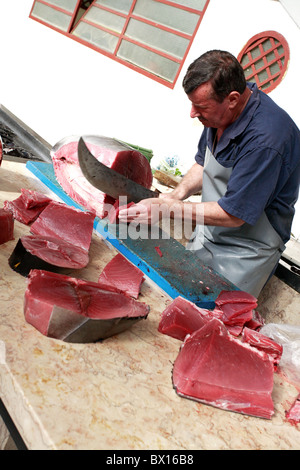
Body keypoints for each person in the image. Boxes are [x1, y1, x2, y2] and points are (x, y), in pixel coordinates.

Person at [118, 50, 300, 297]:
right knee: (179, 299)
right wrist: (176, 194)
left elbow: (235, 214)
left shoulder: (267, 140)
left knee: (212, 319)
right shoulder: (220, 115)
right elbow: (204, 163)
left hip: (246, 251)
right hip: (208, 232)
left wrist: (166, 209)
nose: (192, 113)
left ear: (233, 99)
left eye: (200, 106)